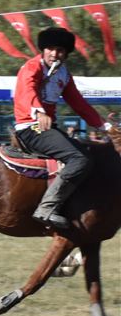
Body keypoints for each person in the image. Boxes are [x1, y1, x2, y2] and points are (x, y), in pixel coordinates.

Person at [13, 27, 112, 229]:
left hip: (47, 128)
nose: (54, 54)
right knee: (79, 159)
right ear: (43, 49)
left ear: (66, 53)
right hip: (32, 128)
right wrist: (38, 112)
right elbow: (26, 90)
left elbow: (79, 104)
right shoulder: (32, 67)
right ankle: (47, 208)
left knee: (91, 153)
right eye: (50, 49)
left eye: (60, 50)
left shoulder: (64, 75)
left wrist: (106, 126)